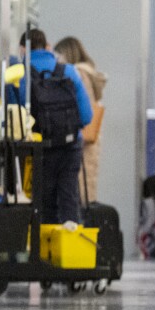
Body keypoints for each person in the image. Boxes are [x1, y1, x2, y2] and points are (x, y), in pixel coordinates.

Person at [7, 28, 94, 225]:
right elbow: (87, 116)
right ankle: (70, 240)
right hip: (70, 147)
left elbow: (14, 119)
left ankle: (45, 242)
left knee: (43, 204)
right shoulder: (69, 71)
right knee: (69, 199)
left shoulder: (19, 74)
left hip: (39, 149)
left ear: (23, 49)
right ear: (47, 46)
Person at [53, 36, 106, 203]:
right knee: (84, 193)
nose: (57, 62)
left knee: (78, 196)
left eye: (59, 56)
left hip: (81, 139)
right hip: (90, 143)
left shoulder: (79, 74)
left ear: (67, 54)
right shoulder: (88, 73)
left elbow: (82, 108)